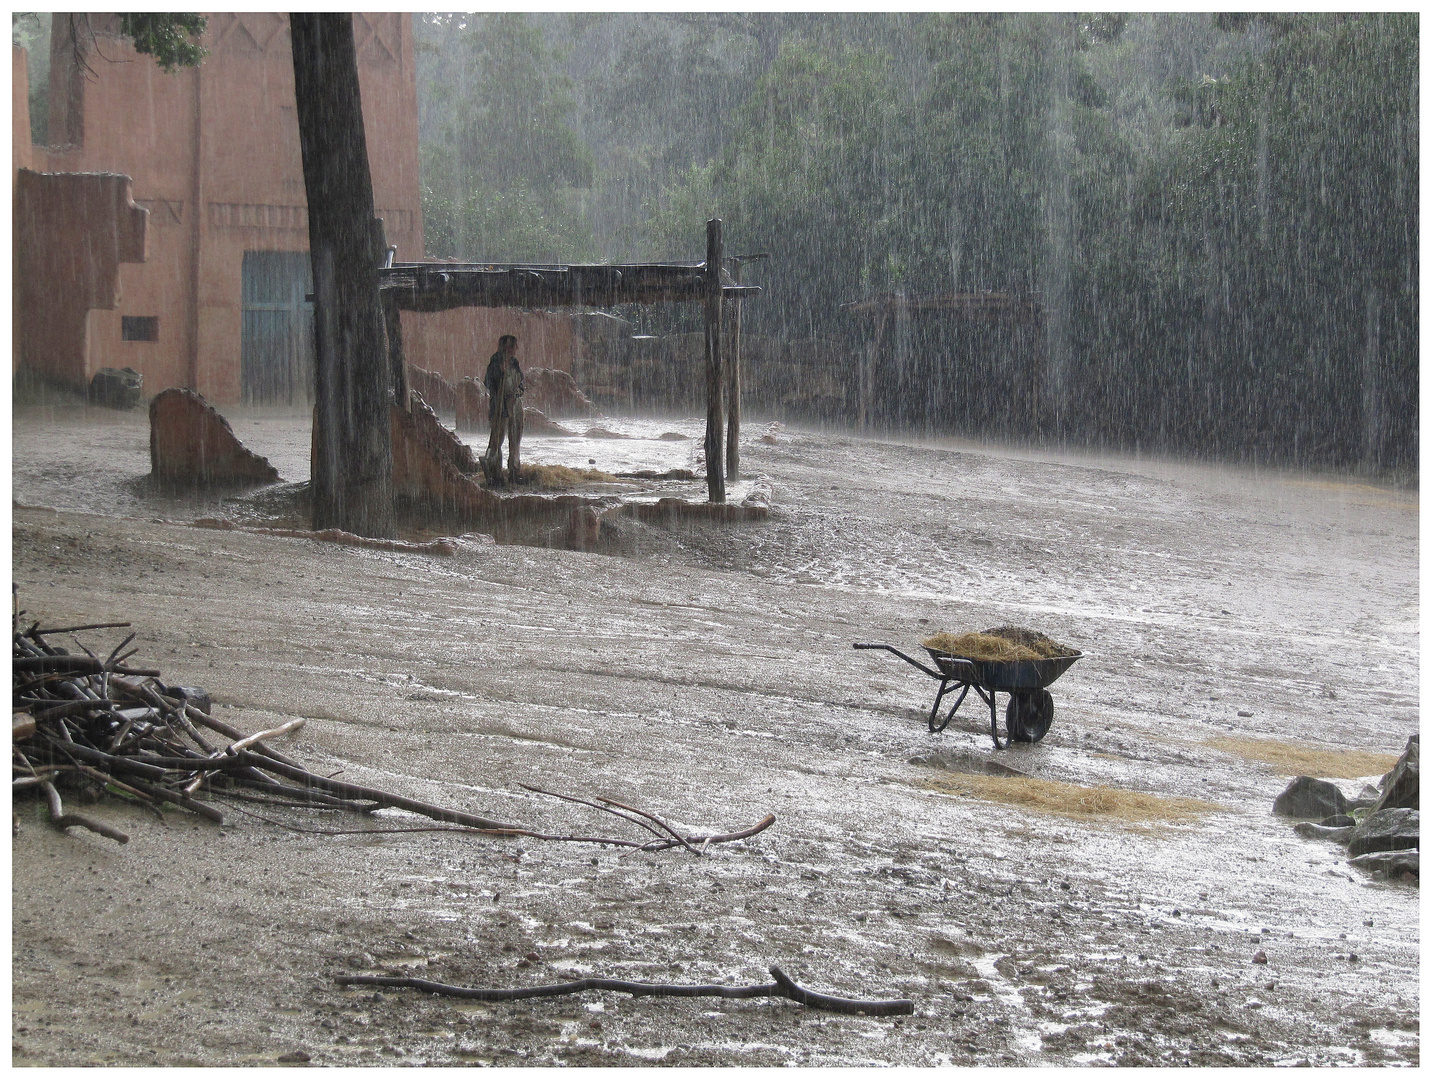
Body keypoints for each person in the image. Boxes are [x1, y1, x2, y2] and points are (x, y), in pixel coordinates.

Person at [483, 334, 524, 484]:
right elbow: (488, 382)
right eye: (514, 346)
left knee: (515, 439)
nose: (516, 349)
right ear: (506, 347)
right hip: (500, 405)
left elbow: (521, 382)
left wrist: (517, 393)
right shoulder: (495, 363)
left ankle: (514, 471)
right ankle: (495, 473)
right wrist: (500, 373)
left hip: (515, 404)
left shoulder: (514, 363)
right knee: (497, 440)